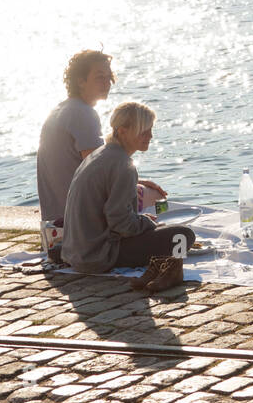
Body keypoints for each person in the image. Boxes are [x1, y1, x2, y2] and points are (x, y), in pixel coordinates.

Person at [61, 101, 194, 277]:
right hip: (100, 256)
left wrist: (140, 220)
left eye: (151, 129)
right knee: (183, 235)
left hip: (76, 251)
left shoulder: (99, 154)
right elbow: (121, 224)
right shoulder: (122, 164)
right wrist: (147, 223)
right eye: (144, 131)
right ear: (122, 131)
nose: (151, 136)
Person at [36, 50, 166, 226]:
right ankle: (159, 226)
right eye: (99, 77)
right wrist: (133, 184)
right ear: (80, 81)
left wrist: (135, 180)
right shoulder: (83, 113)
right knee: (158, 199)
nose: (107, 83)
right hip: (75, 219)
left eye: (108, 77)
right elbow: (100, 173)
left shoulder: (61, 110)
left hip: (54, 215)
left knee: (141, 190)